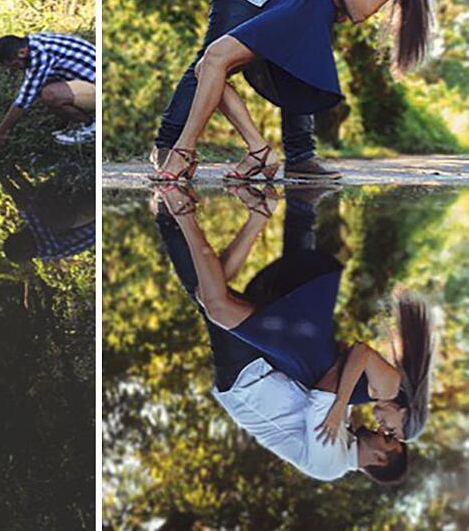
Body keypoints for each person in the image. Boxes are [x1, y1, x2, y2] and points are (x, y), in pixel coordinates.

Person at [152, 0, 409, 182]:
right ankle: (169, 145)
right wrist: (344, 6)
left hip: (277, 0)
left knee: (293, 64)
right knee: (210, 60)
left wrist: (341, 4)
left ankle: (299, 156)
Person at [154, 186, 410, 483]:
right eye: (392, 434)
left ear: (379, 458)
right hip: (267, 367)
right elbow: (334, 372)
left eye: (388, 440)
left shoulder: (331, 464)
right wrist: (344, 375)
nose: (383, 433)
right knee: (210, 295)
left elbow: (322, 394)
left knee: (213, 302)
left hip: (246, 383)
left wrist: (347, 368)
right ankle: (180, 214)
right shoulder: (346, 433)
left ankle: (180, 213)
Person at [0, 33, 96, 146]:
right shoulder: (34, 43)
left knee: (50, 94)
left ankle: (91, 127)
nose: (17, 69)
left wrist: (0, 132)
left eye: (16, 65)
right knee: (43, 85)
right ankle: (77, 121)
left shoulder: (40, 55)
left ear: (22, 52)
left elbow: (23, 100)